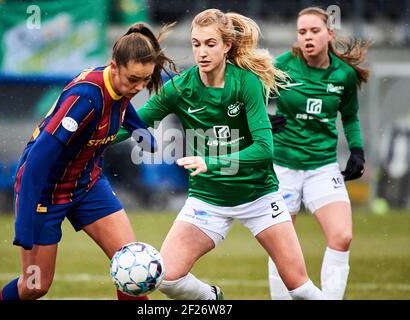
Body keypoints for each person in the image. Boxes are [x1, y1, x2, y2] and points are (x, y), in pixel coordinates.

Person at [116, 9, 324, 300]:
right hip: (208, 200)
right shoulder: (179, 88)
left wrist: (210, 161)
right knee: (167, 279)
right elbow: (134, 124)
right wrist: (92, 137)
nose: (202, 51)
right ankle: (212, 300)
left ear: (227, 46)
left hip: (259, 197)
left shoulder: (245, 83)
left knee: (300, 289)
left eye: (210, 44)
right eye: (196, 43)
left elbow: (265, 149)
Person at [0, 23, 177, 300]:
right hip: (46, 192)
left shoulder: (119, 87)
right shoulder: (85, 98)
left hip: (88, 185)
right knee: (34, 286)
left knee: (134, 266)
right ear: (113, 66)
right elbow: (35, 163)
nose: (139, 87)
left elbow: (120, 107)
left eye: (145, 80)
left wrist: (142, 135)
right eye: (133, 80)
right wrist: (24, 223)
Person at [267, 7, 370, 300]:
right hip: (283, 167)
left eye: (314, 31)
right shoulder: (281, 66)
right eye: (302, 32)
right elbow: (250, 97)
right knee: (280, 245)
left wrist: (357, 151)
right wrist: (263, 118)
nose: (308, 37)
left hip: (322, 167)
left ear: (329, 34)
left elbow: (349, 117)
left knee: (342, 236)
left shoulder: (344, 75)